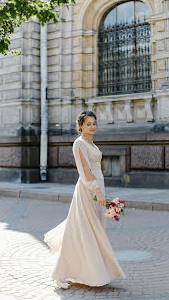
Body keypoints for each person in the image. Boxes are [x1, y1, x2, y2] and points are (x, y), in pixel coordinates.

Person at [44, 110, 126, 289]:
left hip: (97, 187)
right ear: (80, 126)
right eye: (88, 124)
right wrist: (97, 190)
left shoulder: (92, 143)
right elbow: (86, 170)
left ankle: (94, 272)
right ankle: (59, 274)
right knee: (83, 231)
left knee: (91, 230)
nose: (92, 127)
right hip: (88, 189)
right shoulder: (79, 143)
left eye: (94, 123)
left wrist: (100, 190)